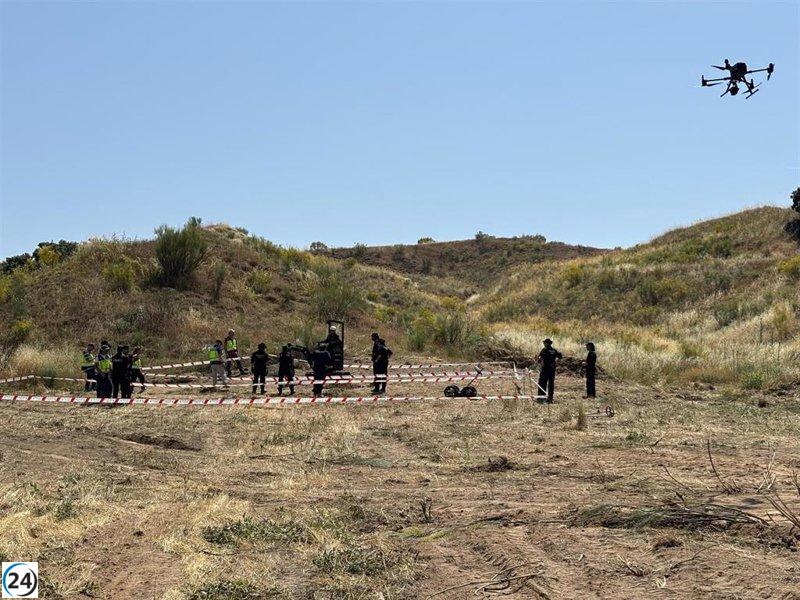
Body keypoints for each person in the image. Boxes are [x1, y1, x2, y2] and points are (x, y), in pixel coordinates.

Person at [536, 338, 562, 403]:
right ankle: (550, 398)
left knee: (542, 383)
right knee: (551, 384)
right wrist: (554, 362)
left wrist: (538, 360)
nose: (544, 343)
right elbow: (560, 357)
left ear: (547, 343)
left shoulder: (544, 349)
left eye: (544, 342)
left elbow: (539, 359)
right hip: (552, 369)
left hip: (545, 369)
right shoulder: (554, 350)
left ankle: (541, 398)